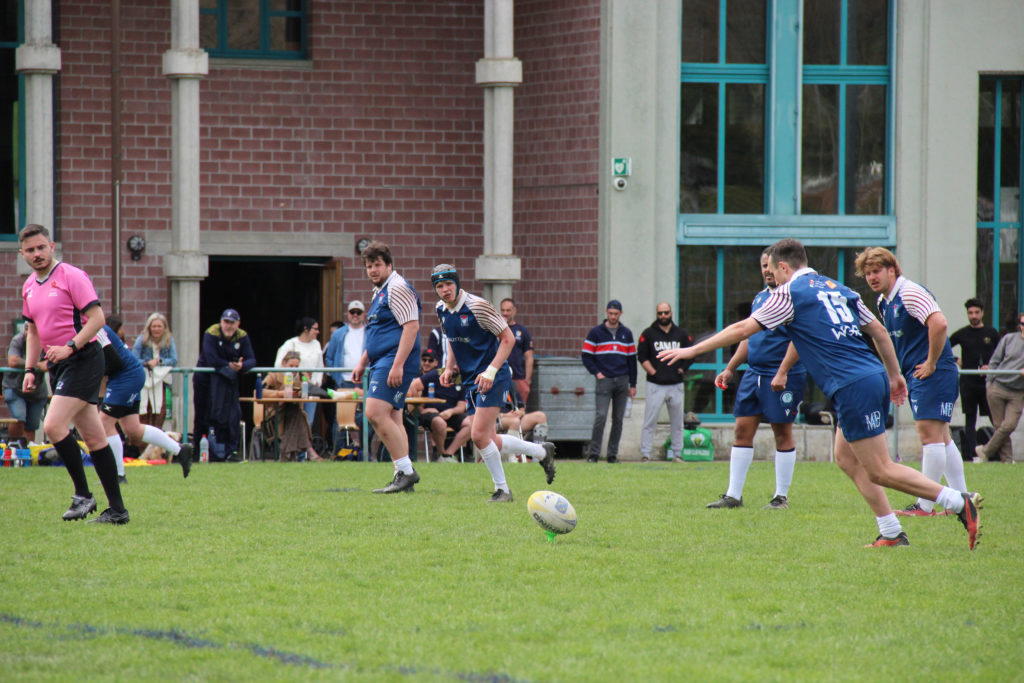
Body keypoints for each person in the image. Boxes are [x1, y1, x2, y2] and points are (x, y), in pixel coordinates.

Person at [658, 238, 981, 549]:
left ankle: (957, 501)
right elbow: (879, 331)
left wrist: (692, 351)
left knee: (880, 469)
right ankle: (891, 531)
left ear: (784, 267)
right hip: (868, 377)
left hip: (852, 384)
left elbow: (743, 329)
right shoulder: (839, 288)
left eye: (772, 269)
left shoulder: (789, 292)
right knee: (845, 458)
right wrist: (894, 376)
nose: (771, 276)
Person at [18, 224, 127, 524]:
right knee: (94, 437)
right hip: (59, 364)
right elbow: (33, 332)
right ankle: (118, 511)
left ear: (52, 246)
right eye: (31, 250)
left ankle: (83, 495)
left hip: (84, 358)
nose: (37, 254)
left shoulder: (72, 275)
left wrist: (70, 346)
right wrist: (30, 369)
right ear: (22, 254)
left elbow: (98, 319)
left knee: (53, 425)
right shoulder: (28, 286)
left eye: (42, 247)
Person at [855, 247, 968, 515]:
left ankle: (925, 505)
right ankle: (963, 501)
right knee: (941, 437)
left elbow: (939, 323)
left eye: (877, 271)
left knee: (929, 435)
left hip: (932, 372)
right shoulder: (884, 302)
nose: (872, 277)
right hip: (917, 373)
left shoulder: (909, 292)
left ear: (892, 269)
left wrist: (931, 362)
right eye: (868, 273)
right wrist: (895, 375)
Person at [431, 264, 556, 500]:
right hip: (471, 380)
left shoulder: (478, 306)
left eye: (448, 284)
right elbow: (452, 338)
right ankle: (541, 452)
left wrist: (490, 371)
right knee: (491, 440)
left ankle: (503, 490)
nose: (445, 289)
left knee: (478, 436)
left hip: (494, 376)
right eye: (439, 286)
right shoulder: (441, 308)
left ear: (457, 283)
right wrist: (449, 367)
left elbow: (508, 339)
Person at [707, 250, 806, 509]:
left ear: (781, 267)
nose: (766, 271)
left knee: (782, 432)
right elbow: (747, 337)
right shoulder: (760, 297)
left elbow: (800, 339)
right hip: (753, 373)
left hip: (783, 374)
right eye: (763, 266)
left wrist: (782, 371)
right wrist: (730, 368)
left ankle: (781, 497)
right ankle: (733, 496)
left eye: (770, 266)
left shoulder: (794, 298)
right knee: (741, 429)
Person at [349, 241, 423, 493]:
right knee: (393, 417)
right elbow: (379, 331)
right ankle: (402, 476)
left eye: (377, 265)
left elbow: (411, 327)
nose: (372, 270)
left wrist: (398, 365)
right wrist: (362, 362)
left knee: (374, 412)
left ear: (389, 265)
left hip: (394, 360)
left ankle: (406, 472)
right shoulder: (381, 290)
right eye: (369, 266)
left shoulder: (398, 287)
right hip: (383, 359)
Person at [96, 315, 193, 483]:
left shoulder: (96, 329)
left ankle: (118, 475)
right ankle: (180, 450)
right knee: (132, 429)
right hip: (130, 375)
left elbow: (115, 362)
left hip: (125, 377)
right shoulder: (90, 328)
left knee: (105, 422)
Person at [193, 308, 257, 462]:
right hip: (205, 381)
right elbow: (211, 359)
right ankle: (198, 452)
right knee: (202, 415)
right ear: (221, 322)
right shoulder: (211, 333)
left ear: (238, 324)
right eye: (226, 322)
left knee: (231, 416)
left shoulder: (242, 336)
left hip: (227, 380)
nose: (229, 326)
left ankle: (229, 452)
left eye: (232, 323)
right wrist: (230, 365)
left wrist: (241, 366)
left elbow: (252, 360)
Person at [636, 302, 693, 463]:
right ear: (656, 314)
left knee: (677, 422)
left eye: (666, 312)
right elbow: (641, 356)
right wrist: (653, 372)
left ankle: (677, 454)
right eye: (660, 313)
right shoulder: (648, 333)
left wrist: (682, 369)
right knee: (650, 421)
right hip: (655, 385)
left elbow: (691, 353)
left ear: (671, 313)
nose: (663, 316)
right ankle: (645, 454)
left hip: (676, 384)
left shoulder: (681, 334)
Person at [581, 299, 637, 463]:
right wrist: (597, 373)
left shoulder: (627, 333)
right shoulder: (596, 332)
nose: (613, 317)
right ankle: (594, 454)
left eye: (616, 314)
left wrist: (633, 384)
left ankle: (612, 455)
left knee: (618, 419)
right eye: (610, 313)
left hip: (622, 380)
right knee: (601, 416)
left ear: (621, 314)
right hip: (604, 380)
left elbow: (632, 360)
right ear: (606, 313)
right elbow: (586, 355)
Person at [949, 299, 1000, 460]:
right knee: (970, 419)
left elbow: (1002, 354)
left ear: (982, 313)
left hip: (988, 383)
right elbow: (943, 346)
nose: (973, 316)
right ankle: (972, 455)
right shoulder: (962, 333)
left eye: (976, 312)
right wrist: (956, 359)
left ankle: (998, 453)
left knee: (995, 419)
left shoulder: (991, 333)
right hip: (968, 383)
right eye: (970, 313)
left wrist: (991, 366)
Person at [976, 314, 1024, 463]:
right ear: (1019, 325)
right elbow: (995, 361)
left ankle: (984, 450)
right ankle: (1007, 461)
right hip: (997, 386)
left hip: (1017, 392)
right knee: (999, 426)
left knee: (1008, 425)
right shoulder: (1009, 339)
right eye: (1023, 324)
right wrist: (989, 382)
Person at [408, 349, 469, 462]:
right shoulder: (437, 373)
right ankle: (441, 453)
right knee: (439, 423)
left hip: (450, 413)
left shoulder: (462, 379)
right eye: (453, 363)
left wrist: (450, 412)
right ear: (447, 363)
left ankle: (448, 454)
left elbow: (461, 407)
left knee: (471, 423)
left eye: (458, 364)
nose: (455, 367)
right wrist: (420, 409)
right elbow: (413, 386)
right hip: (430, 413)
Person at [260, 350, 320, 461]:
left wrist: (303, 388)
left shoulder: (301, 376)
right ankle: (308, 449)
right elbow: (260, 391)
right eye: (291, 366)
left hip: (292, 412)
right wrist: (279, 394)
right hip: (275, 413)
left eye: (296, 367)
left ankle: (287, 454)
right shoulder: (274, 374)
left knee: (294, 412)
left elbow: (311, 389)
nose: (294, 370)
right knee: (297, 414)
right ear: (284, 363)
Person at [274, 317, 324, 427]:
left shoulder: (316, 344)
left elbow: (320, 366)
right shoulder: (290, 343)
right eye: (315, 329)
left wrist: (316, 383)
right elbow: (279, 365)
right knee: (293, 421)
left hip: (310, 388)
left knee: (308, 421)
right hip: (293, 389)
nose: (318, 332)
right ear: (306, 329)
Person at [130, 312, 178, 428]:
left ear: (164, 328)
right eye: (154, 326)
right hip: (144, 380)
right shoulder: (142, 339)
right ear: (149, 327)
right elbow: (134, 358)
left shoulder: (169, 340)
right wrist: (147, 363)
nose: (156, 329)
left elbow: (173, 360)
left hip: (160, 381)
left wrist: (158, 361)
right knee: (144, 410)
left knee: (160, 410)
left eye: (159, 326)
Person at [4, 329, 48, 444]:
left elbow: (50, 364)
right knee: (19, 418)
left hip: (37, 390)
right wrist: (35, 364)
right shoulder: (18, 340)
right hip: (14, 387)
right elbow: (13, 361)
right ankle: (13, 445)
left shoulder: (46, 341)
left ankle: (28, 450)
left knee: (31, 425)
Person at [500, 298, 535, 406]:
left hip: (518, 377)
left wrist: (527, 380)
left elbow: (529, 357)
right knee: (503, 409)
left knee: (519, 409)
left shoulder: (522, 330)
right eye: (503, 310)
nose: (505, 313)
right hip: (500, 377)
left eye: (508, 310)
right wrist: (501, 327)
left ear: (514, 311)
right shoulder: (497, 330)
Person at [323, 301, 366, 389]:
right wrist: (336, 376)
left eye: (358, 312)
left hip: (365, 380)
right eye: (352, 312)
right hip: (344, 381)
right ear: (347, 314)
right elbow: (329, 357)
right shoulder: (338, 333)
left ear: (364, 314)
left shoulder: (371, 332)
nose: (355, 315)